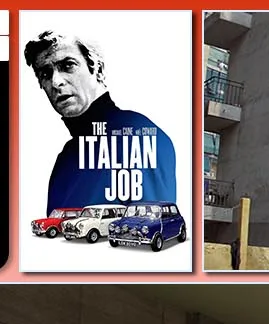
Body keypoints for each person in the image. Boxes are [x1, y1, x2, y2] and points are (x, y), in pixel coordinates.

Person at [25, 30, 179, 216]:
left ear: (97, 69)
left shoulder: (138, 136)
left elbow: (149, 230)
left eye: (68, 65)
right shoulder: (66, 157)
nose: (56, 82)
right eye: (45, 74)